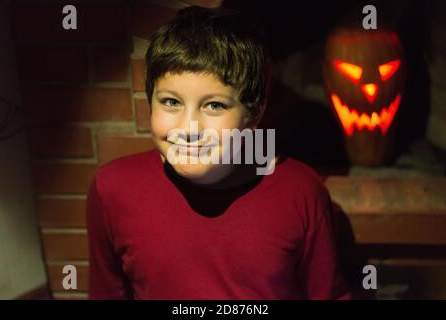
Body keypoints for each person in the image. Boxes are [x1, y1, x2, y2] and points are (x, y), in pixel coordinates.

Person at [86, 5, 350, 300]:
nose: (189, 127)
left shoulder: (300, 191)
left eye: (215, 105)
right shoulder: (113, 189)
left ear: (254, 112)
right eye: (171, 102)